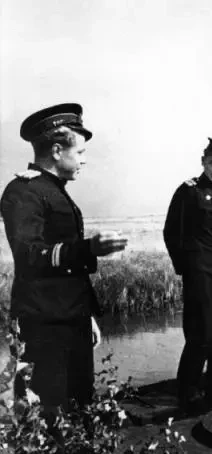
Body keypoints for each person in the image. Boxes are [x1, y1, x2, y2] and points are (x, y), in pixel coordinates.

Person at [0, 103, 128, 417]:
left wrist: (87, 315)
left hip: (72, 318)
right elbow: (30, 255)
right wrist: (88, 248)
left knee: (81, 400)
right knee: (50, 409)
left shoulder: (55, 191)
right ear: (57, 151)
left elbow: (69, 272)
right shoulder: (24, 191)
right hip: (45, 325)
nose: (84, 160)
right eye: (80, 152)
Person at [163, 137, 212, 413]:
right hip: (201, 274)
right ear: (203, 162)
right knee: (201, 332)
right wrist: (186, 268)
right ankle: (189, 391)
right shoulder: (189, 192)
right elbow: (171, 232)